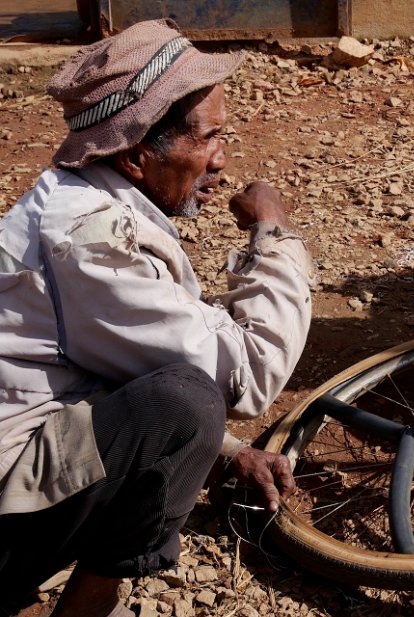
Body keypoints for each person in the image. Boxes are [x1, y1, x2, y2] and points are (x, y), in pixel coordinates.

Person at [0, 18, 313, 617]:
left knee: (182, 402)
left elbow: (110, 359)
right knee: (186, 403)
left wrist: (225, 452)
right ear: (140, 155)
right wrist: (274, 234)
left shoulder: (80, 200)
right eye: (209, 138)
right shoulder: (89, 239)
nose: (222, 160)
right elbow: (250, 372)